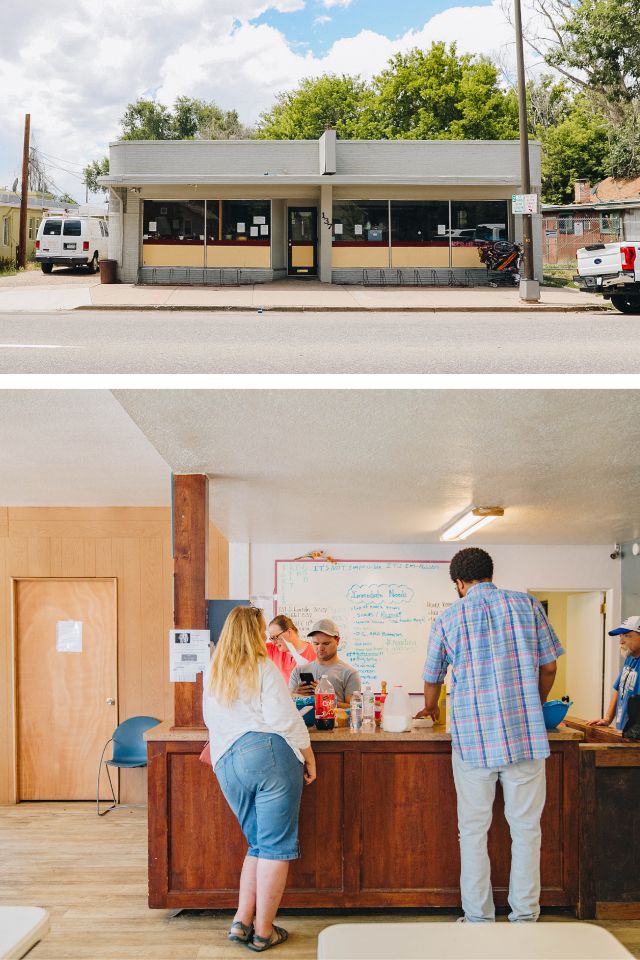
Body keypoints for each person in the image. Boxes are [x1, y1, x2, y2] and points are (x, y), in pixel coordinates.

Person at [416, 547, 563, 924]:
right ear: (490, 574)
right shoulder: (527, 605)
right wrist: (536, 702)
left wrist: (431, 708)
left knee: (473, 832)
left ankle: (479, 919)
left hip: (472, 741)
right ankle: (525, 917)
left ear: (459, 584)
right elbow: (548, 666)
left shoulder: (449, 617)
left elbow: (432, 677)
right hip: (526, 737)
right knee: (527, 830)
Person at [203, 605, 316, 952]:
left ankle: (242, 922)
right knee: (275, 848)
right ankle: (264, 931)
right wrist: (309, 755)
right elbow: (283, 718)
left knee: (257, 844)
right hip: (267, 754)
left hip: (226, 762)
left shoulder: (213, 671)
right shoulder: (263, 667)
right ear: (254, 634)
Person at [288, 618, 361, 707]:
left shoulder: (350, 673)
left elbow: (354, 708)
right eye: (316, 643)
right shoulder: (298, 671)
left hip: (333, 720)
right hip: (303, 721)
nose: (320, 648)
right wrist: (296, 695)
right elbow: (287, 705)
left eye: (326, 644)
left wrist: (325, 698)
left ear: (337, 641)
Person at [588, 616, 640, 731]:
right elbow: (619, 689)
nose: (621, 641)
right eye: (620, 636)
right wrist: (607, 718)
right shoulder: (630, 658)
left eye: (627, 635)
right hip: (624, 730)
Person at [267, 615, 315, 682]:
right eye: (271, 638)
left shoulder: (314, 653)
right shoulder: (272, 649)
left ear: (289, 632)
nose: (273, 643)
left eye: (275, 637)